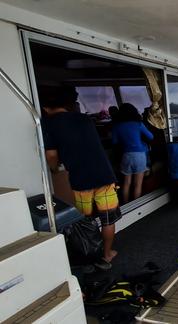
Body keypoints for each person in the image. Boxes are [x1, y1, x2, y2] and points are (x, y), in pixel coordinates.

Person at [40, 86, 121, 269]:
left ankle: (89, 257)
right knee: (108, 219)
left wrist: (54, 169)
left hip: (81, 179)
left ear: (46, 107)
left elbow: (51, 156)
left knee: (84, 221)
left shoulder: (48, 124)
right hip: (105, 176)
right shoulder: (84, 119)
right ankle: (107, 254)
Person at [112, 103, 154, 203]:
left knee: (126, 183)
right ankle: (136, 206)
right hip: (140, 156)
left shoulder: (117, 126)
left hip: (126, 155)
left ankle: (126, 205)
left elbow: (114, 142)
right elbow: (151, 137)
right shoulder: (138, 124)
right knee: (138, 184)